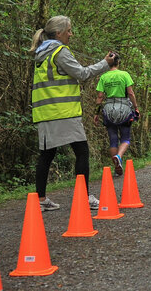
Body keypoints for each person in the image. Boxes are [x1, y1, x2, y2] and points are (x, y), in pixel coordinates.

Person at [30, 15, 116, 212]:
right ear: (59, 33)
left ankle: (41, 199)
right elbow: (83, 74)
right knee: (82, 151)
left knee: (46, 155)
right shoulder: (60, 51)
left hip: (45, 113)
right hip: (64, 112)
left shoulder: (41, 54)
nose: (71, 34)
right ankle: (84, 197)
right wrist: (105, 63)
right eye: (68, 30)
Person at [95, 53, 139, 176]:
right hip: (124, 108)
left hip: (108, 108)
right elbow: (130, 93)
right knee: (125, 138)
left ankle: (116, 167)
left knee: (113, 140)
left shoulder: (103, 77)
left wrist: (96, 113)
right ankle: (119, 157)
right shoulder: (124, 74)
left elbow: (99, 97)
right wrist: (136, 108)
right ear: (118, 62)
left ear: (108, 63)